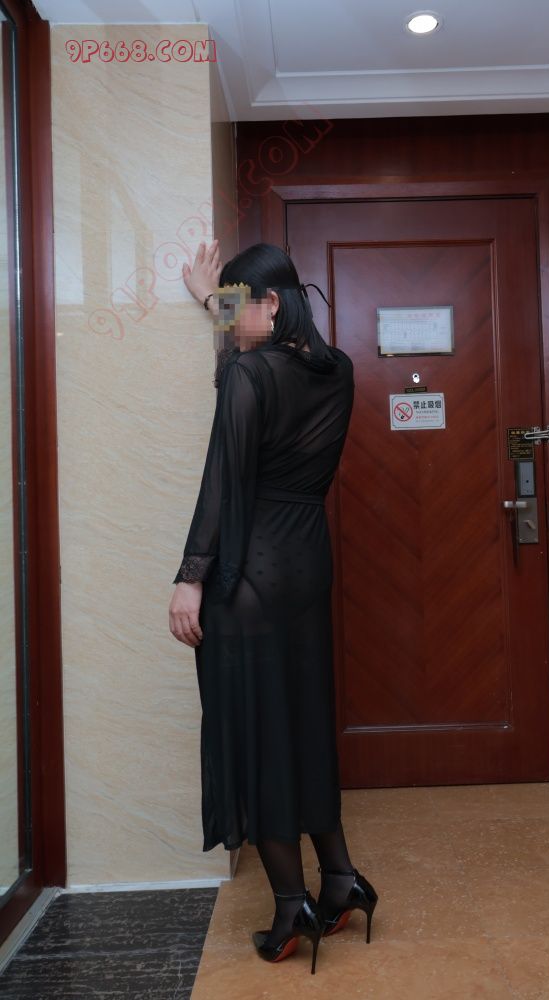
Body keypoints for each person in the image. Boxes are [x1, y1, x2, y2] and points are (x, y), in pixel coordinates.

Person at [168, 241, 378, 973]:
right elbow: (268, 342)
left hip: (249, 573)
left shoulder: (247, 374)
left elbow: (222, 480)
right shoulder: (338, 368)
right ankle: (341, 879)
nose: (228, 321)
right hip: (306, 563)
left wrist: (190, 577)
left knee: (258, 733)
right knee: (303, 723)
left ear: (270, 304)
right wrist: (214, 298)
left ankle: (292, 905)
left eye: (236, 307)